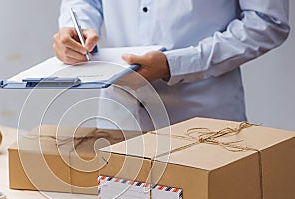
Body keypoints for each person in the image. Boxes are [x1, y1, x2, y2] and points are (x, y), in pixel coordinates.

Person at [53, 0, 290, 130]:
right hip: (120, 114)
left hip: (202, 120)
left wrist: (175, 65)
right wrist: (77, 27)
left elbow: (267, 22)